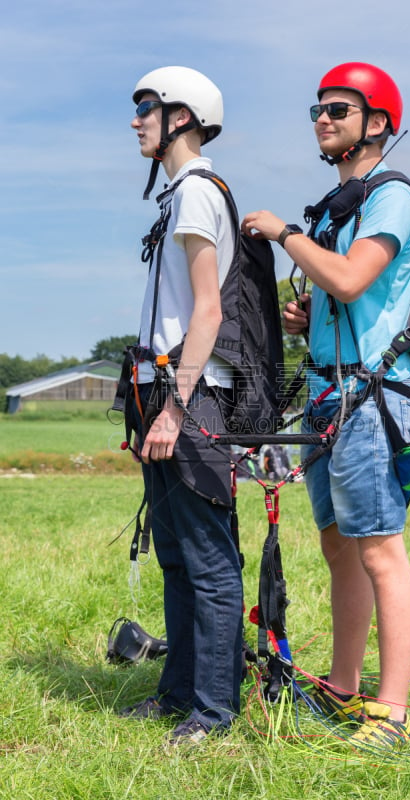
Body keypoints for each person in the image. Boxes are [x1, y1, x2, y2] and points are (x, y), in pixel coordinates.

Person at [241, 62, 410, 750]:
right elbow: (338, 294)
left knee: (379, 551)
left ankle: (392, 713)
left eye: (338, 110)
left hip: (369, 396)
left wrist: (285, 234)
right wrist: (303, 318)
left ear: (376, 123)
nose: (321, 118)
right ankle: (342, 690)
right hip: (325, 394)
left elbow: (351, 279)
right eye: (316, 109)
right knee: (337, 548)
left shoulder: (391, 198)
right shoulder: (333, 206)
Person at [118, 66, 243, 746]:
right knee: (175, 555)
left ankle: (214, 713)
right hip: (163, 395)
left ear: (182, 118)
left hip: (190, 400)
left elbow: (208, 308)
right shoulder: (174, 198)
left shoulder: (196, 194)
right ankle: (177, 698)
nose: (135, 120)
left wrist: (173, 409)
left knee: (208, 560)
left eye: (145, 107)